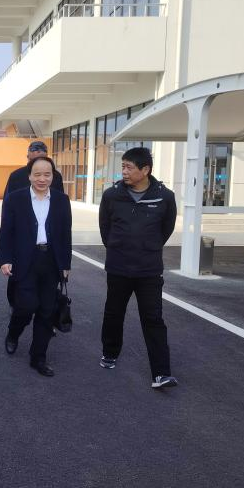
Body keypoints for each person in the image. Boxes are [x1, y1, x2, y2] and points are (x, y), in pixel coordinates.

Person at [98, 147, 178, 389]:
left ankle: (161, 373)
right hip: (118, 267)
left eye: (129, 167)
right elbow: (105, 228)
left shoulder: (165, 197)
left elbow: (166, 229)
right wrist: (117, 247)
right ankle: (110, 352)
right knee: (114, 313)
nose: (124, 171)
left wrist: (148, 247)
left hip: (149, 270)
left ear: (145, 170)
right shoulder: (112, 195)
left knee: (153, 318)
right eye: (123, 166)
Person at [0, 156, 71, 377]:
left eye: (47, 174)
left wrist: (65, 264)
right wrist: (5, 259)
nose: (42, 179)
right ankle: (13, 333)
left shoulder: (61, 200)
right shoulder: (15, 199)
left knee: (47, 311)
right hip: (24, 261)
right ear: (29, 176)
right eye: (37, 174)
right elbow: (6, 232)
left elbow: (65, 234)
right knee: (26, 305)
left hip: (51, 261)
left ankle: (38, 357)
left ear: (53, 176)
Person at [4, 140, 64, 309]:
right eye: (33, 159)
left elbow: (60, 210)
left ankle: (43, 314)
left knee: (47, 295)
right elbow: (7, 207)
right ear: (27, 158)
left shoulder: (56, 177)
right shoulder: (16, 176)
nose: (42, 179)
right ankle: (16, 307)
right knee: (19, 285)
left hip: (47, 243)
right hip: (22, 240)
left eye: (42, 158)